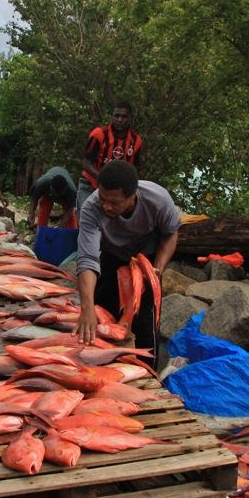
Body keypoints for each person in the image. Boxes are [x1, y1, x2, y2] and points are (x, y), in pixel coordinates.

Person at [74, 161, 180, 358]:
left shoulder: (158, 200)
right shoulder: (91, 208)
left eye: (114, 202)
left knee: (146, 323)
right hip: (111, 255)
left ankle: (148, 373)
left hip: (146, 260)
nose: (106, 206)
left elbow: (170, 234)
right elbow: (88, 258)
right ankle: (105, 370)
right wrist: (86, 306)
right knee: (101, 316)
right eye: (103, 198)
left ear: (132, 195)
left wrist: (157, 268)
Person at [77, 102, 143, 216]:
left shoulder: (136, 141)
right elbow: (86, 162)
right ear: (112, 116)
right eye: (116, 116)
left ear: (130, 118)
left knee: (114, 224)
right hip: (90, 185)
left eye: (124, 117)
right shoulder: (99, 134)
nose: (119, 119)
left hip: (117, 191)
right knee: (85, 219)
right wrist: (103, 178)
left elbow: (134, 167)